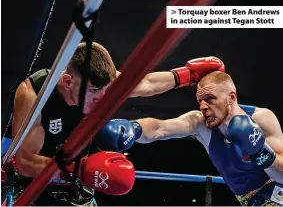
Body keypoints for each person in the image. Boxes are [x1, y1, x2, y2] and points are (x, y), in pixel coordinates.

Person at [5, 41, 224, 206]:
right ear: (68, 81)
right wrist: (79, 170)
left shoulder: (101, 85)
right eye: (94, 93)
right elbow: (24, 162)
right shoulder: (35, 96)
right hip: (34, 191)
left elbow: (146, 83)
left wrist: (187, 75)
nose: (102, 101)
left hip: (78, 188)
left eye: (106, 93)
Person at [97, 71, 283, 206]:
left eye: (210, 99)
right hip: (248, 201)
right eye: (199, 100)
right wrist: (133, 128)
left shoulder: (261, 119)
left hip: (276, 193)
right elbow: (159, 128)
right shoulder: (199, 123)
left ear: (231, 97)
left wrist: (260, 150)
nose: (203, 106)